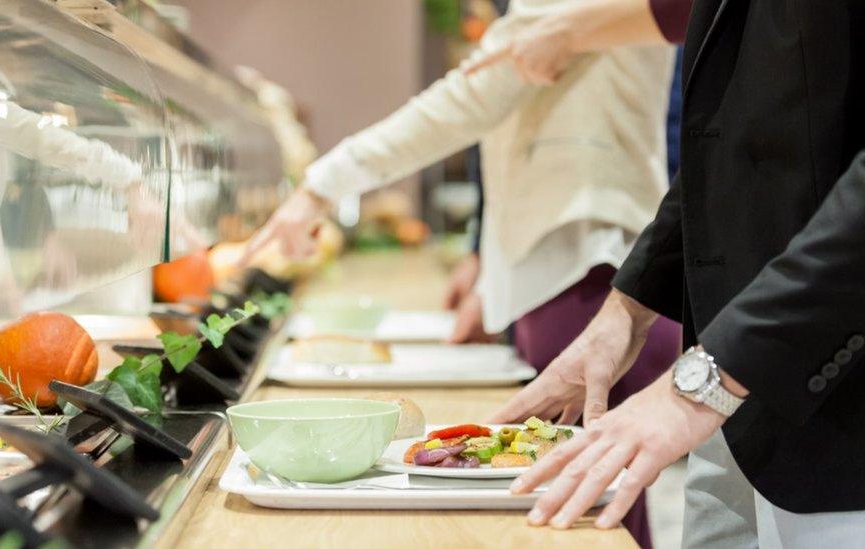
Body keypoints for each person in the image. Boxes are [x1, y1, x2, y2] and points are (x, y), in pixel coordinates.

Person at [243, 1, 682, 545]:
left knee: (586, 519)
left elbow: (468, 100)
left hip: (587, 275)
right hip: (579, 270)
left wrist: (322, 187)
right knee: (597, 508)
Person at [481, 0, 865, 547]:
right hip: (732, 401)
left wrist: (706, 381)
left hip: (835, 410)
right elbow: (730, 148)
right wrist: (628, 306)